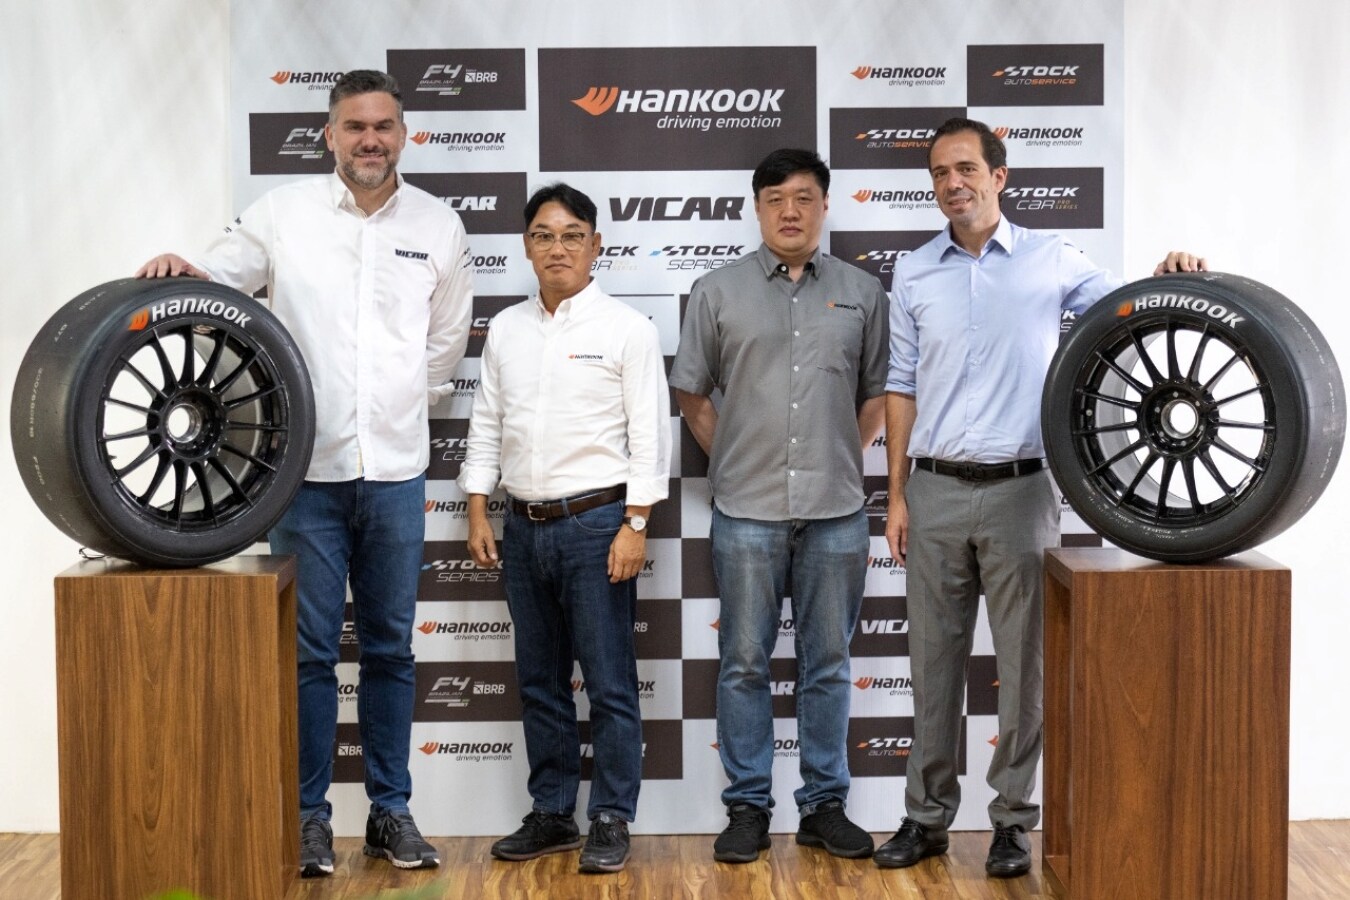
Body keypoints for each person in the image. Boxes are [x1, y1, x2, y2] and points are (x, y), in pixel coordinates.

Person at [136, 69, 473, 878]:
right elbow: (217, 286)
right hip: (303, 478)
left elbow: (444, 349)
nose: (370, 140)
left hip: (395, 474)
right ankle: (308, 820)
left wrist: (396, 407)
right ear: (330, 135)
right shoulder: (281, 213)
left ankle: (391, 814)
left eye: (383, 127)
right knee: (310, 654)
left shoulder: (439, 225)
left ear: (404, 135)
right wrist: (183, 266)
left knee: (390, 650)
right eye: (354, 126)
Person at [878, 116, 1205, 878]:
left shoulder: (1051, 258)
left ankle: (1011, 823)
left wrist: (1171, 271)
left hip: (1022, 490)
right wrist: (895, 494)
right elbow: (899, 384)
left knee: (1023, 669)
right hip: (933, 490)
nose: (952, 184)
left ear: (999, 176)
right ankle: (925, 818)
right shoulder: (913, 271)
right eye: (939, 173)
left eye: (965, 169)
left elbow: (1131, 305)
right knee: (932, 666)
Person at [670, 148, 889, 864]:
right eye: (775, 199)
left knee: (828, 663)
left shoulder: (863, 292)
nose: (789, 211)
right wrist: (731, 454)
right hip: (747, 512)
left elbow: (878, 395)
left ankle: (825, 806)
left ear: (825, 206)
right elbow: (692, 393)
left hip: (837, 513)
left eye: (803, 198)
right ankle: (747, 808)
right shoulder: (716, 291)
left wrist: (842, 454)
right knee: (743, 663)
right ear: (757, 208)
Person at [458, 183, 669, 875]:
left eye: (572, 235)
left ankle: (610, 816)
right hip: (522, 528)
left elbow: (650, 437)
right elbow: (487, 423)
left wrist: (635, 523)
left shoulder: (627, 329)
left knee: (609, 682)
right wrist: (478, 505)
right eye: (544, 235)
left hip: (598, 525)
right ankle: (552, 812)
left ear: (596, 245)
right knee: (541, 681)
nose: (558, 248)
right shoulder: (507, 329)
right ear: (527, 246)